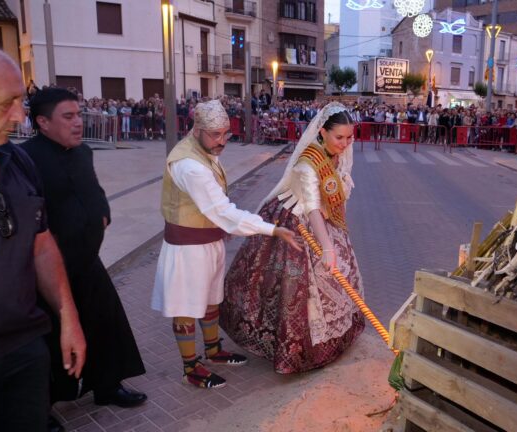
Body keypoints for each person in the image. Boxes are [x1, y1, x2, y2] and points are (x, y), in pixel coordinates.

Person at [151, 100, 301, 389]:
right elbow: (221, 210)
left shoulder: (204, 151)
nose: (222, 141)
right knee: (186, 305)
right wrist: (272, 229)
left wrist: (224, 227)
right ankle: (190, 367)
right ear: (197, 130)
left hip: (208, 241)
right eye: (215, 135)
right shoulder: (189, 165)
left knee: (210, 299)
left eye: (226, 134)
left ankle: (213, 349)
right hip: (187, 249)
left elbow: (218, 211)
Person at [21, 88, 147, 414]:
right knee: (52, 338)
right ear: (42, 122)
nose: (78, 123)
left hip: (87, 261)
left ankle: (107, 386)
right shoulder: (26, 160)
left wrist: (103, 209)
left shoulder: (83, 152)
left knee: (104, 323)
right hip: (49, 271)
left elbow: (95, 189)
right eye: (69, 117)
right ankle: (45, 409)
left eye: (79, 115)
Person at [220, 102, 365, 374]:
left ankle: (334, 338)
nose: (345, 144)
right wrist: (327, 246)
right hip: (296, 224)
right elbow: (311, 207)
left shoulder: (338, 156)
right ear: (322, 132)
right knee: (296, 289)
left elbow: (334, 199)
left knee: (337, 281)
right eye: (339, 137)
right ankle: (297, 350)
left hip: (325, 224)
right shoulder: (308, 164)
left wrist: (337, 236)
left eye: (349, 137)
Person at [0, 45, 86, 431]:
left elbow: (41, 244)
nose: (18, 116)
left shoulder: (17, 161)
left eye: (20, 102)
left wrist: (68, 317)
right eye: (5, 104)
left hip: (24, 350)